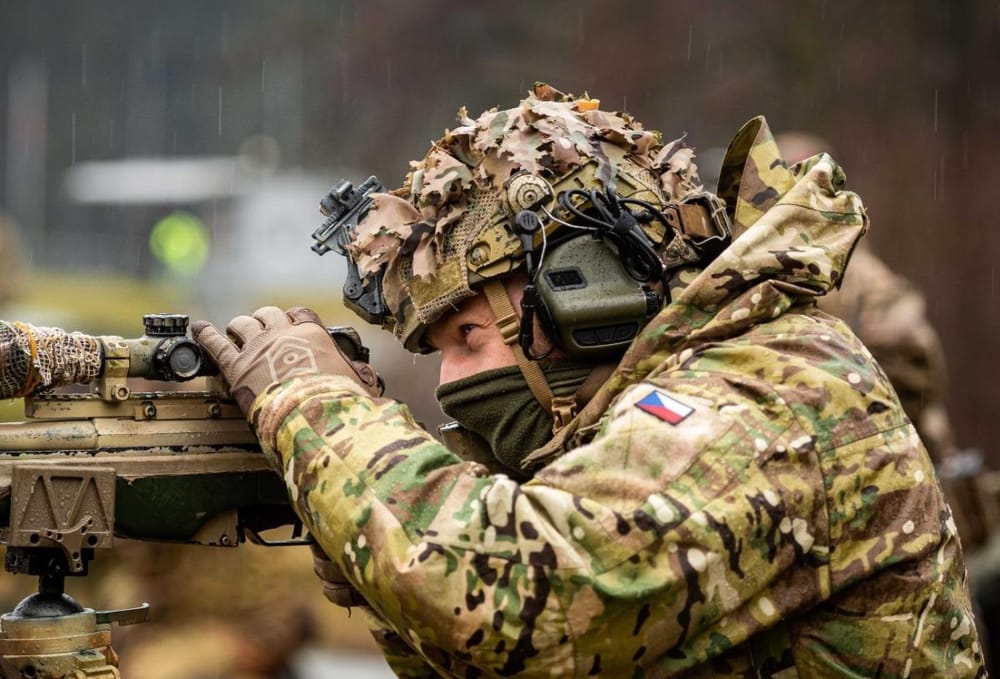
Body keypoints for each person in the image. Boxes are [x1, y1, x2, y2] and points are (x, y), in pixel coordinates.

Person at [193, 84, 985, 677]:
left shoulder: (770, 391)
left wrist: (309, 400)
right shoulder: (686, 391)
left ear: (589, 293)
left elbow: (520, 601)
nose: (452, 382)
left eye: (469, 336)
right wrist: (393, 579)